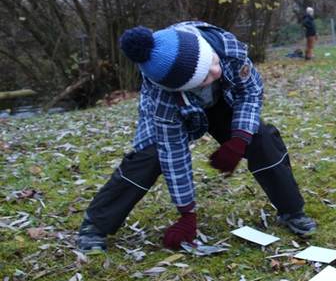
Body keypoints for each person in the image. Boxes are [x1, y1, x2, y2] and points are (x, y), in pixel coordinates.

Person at [76, 21, 317, 252]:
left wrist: (239, 139)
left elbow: (250, 92)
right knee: (151, 156)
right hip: (181, 110)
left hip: (223, 102)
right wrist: (187, 213)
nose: (216, 70)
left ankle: (292, 210)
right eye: (205, 77)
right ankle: (95, 225)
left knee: (262, 139)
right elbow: (174, 155)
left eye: (211, 62)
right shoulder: (162, 98)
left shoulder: (227, 48)